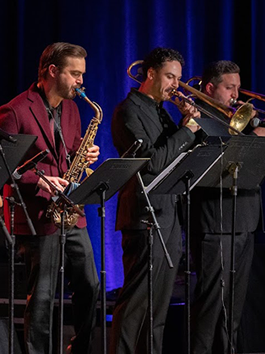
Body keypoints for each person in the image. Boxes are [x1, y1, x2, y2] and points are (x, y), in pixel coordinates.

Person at [0, 42, 101, 354]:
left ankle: (79, 348)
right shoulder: (13, 111)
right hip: (37, 214)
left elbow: (68, 148)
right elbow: (0, 169)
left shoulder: (71, 108)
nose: (81, 81)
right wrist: (38, 179)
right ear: (52, 71)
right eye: (74, 73)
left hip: (70, 212)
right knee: (41, 298)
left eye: (82, 74)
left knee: (90, 285)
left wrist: (85, 150)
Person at [109, 47, 201, 354]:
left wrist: (191, 124)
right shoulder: (129, 110)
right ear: (150, 74)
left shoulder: (160, 109)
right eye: (170, 76)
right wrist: (186, 131)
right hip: (144, 217)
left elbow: (180, 154)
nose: (176, 84)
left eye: (178, 77)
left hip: (169, 215)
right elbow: (152, 161)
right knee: (135, 304)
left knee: (158, 310)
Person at [189, 60, 265, 353]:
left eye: (237, 87)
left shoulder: (241, 116)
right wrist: (256, 141)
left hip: (244, 219)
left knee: (234, 306)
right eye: (229, 88)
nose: (236, 95)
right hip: (216, 221)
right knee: (211, 302)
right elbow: (216, 161)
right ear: (210, 88)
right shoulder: (198, 116)